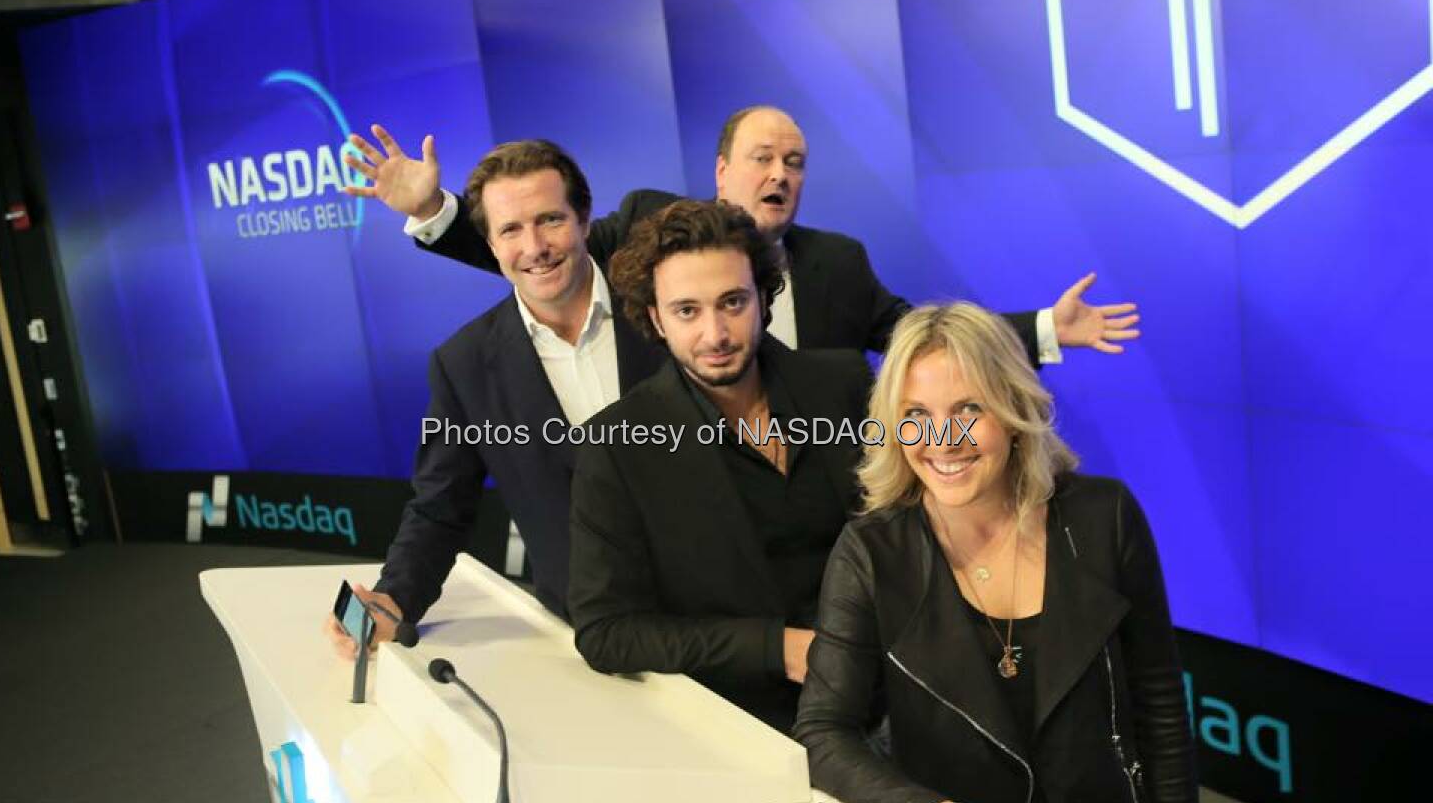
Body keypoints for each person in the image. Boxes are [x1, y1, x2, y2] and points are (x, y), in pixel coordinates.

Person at [793, 303, 1199, 803]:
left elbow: (1161, 713)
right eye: (916, 416)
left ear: (1013, 410)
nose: (941, 440)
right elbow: (824, 733)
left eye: (967, 410)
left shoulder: (1106, 517)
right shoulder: (871, 550)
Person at [340, 107, 1140, 362]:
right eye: (762, 158)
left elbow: (912, 337)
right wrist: (435, 210)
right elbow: (544, 257)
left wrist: (1040, 329)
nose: (780, 174)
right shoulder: (651, 225)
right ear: (721, 172)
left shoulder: (838, 262)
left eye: (794, 162)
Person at [323, 140, 665, 657]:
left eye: (550, 219)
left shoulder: (671, 311)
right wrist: (395, 598)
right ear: (489, 241)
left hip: (726, 617)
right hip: (591, 634)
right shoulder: (464, 366)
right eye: (510, 229)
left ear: (585, 220)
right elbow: (439, 506)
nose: (534, 246)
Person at [565, 200, 871, 733]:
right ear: (656, 319)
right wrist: (777, 648)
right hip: (750, 722)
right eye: (687, 311)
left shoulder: (844, 385)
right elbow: (606, 632)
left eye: (733, 302)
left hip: (892, 688)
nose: (716, 334)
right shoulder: (615, 446)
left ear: (763, 297)